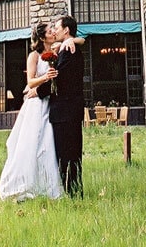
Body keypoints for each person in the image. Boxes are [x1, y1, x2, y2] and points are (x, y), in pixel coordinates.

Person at [0, 22, 81, 201]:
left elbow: (79, 40)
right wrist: (45, 78)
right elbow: (30, 83)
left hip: (51, 104)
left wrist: (72, 40)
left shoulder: (59, 49)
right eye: (50, 31)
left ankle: (49, 184)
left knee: (48, 144)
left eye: (54, 30)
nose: (53, 32)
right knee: (32, 141)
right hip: (37, 104)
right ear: (42, 37)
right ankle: (24, 182)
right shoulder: (34, 56)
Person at [38, 15, 84, 198]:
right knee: (69, 154)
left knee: (68, 155)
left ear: (66, 30)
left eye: (56, 27)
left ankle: (73, 192)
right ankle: (73, 191)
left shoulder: (69, 51)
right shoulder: (65, 48)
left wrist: (38, 91)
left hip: (66, 112)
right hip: (67, 112)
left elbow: (60, 79)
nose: (54, 30)